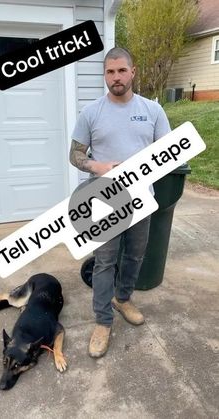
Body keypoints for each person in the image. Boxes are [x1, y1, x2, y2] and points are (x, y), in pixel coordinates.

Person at [69, 47, 171, 358]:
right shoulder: (91, 113)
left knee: (135, 256)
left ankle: (123, 298)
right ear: (105, 75)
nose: (116, 77)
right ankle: (102, 321)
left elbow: (167, 152)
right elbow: (74, 155)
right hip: (103, 201)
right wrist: (96, 166)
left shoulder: (153, 112)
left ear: (133, 71)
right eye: (110, 72)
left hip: (142, 199)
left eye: (121, 71)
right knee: (105, 261)